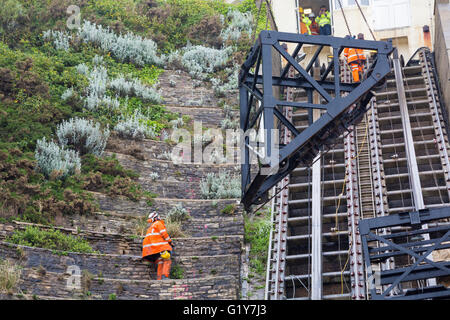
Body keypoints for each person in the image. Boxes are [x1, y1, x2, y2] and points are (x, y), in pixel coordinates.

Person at [142, 211, 174, 280]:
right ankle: (165, 276)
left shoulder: (151, 227)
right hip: (159, 247)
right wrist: (170, 242)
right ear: (156, 218)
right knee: (167, 259)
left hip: (151, 250)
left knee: (160, 261)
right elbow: (164, 234)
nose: (160, 217)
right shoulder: (158, 223)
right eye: (158, 216)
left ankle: (159, 279)